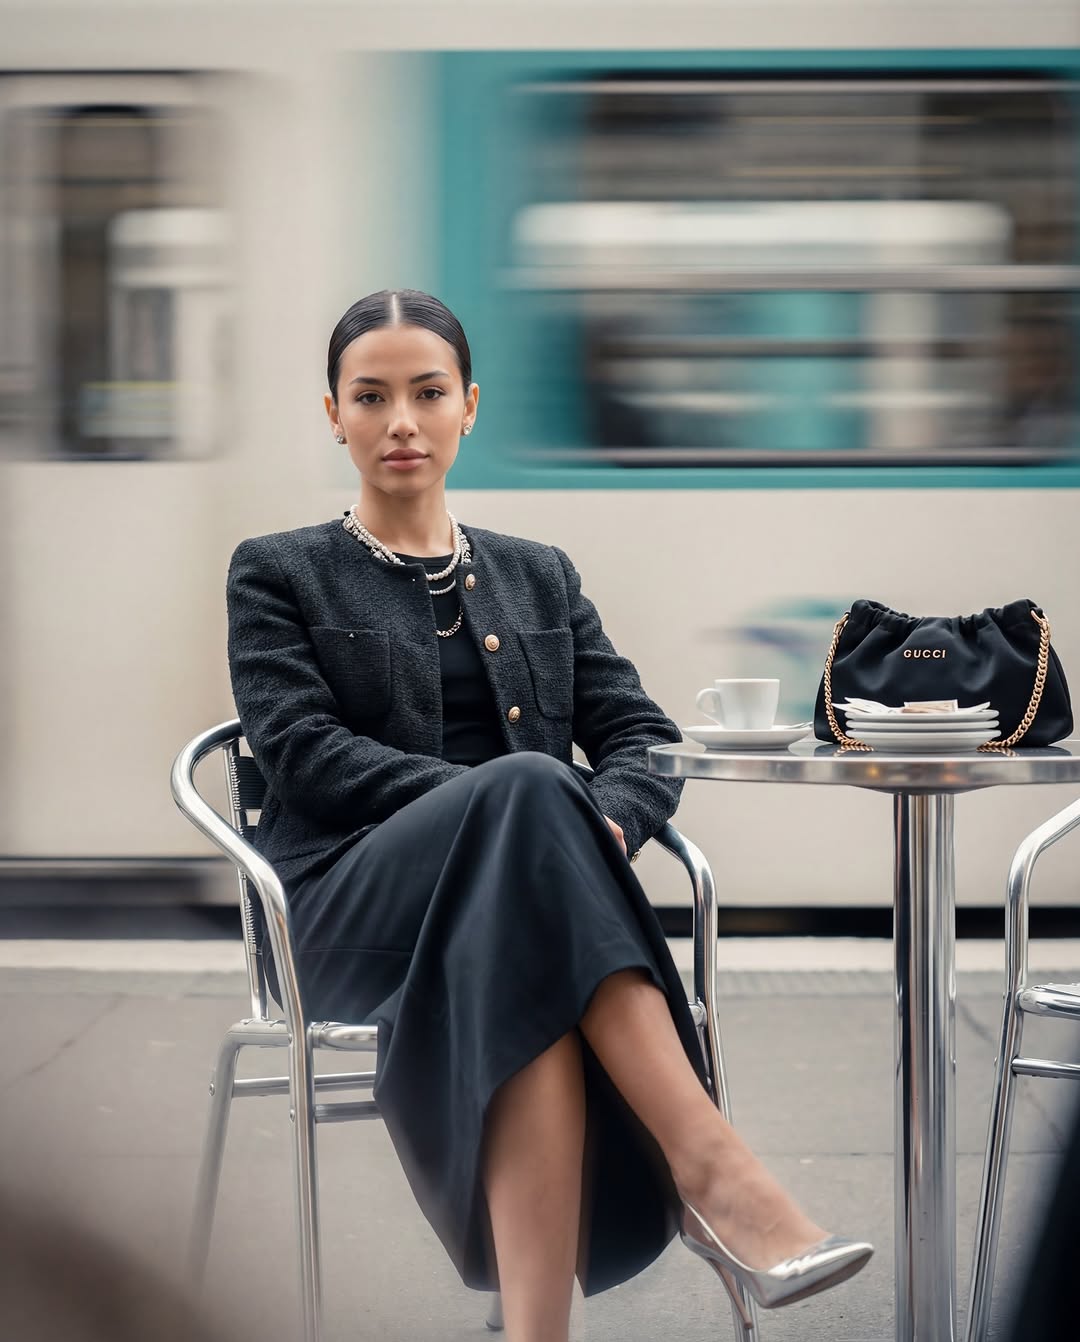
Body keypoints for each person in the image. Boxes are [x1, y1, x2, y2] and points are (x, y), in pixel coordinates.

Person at [225, 289, 872, 1342]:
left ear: (469, 406)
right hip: (353, 911)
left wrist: (591, 821)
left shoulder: (539, 573)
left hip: (526, 910)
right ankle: (713, 1170)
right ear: (332, 415)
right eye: (372, 396)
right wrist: (520, 811)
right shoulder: (277, 569)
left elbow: (642, 737)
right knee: (527, 796)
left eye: (428, 393)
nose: (402, 421)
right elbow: (302, 754)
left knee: (530, 921)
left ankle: (539, 1331)